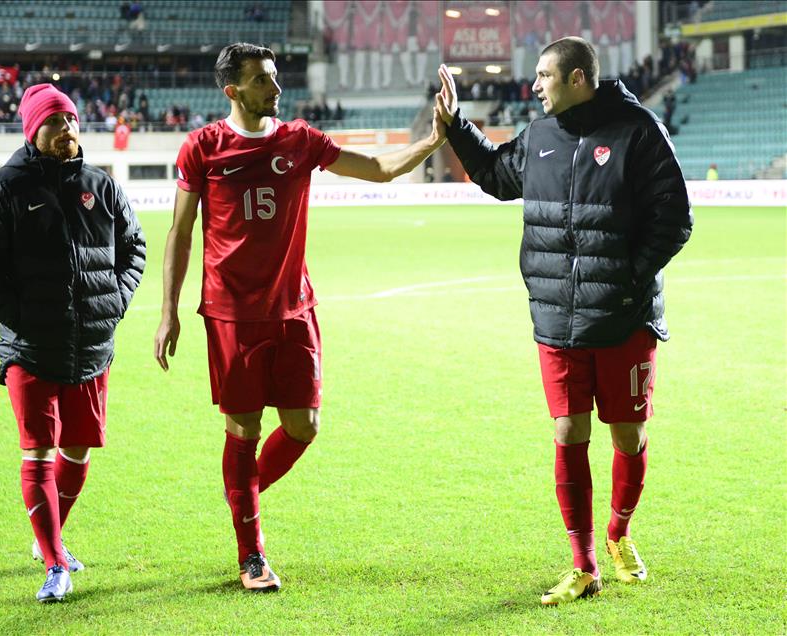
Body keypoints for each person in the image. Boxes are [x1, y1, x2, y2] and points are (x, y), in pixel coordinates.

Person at [154, 42, 446, 593]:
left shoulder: (300, 140)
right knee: (243, 429)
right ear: (232, 90)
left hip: (294, 309)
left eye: (274, 76)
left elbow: (380, 169)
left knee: (303, 426)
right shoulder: (203, 147)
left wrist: (433, 139)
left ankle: (242, 492)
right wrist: (168, 309)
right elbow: (181, 231)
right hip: (233, 314)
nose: (276, 87)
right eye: (262, 80)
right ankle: (252, 554)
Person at [435, 37, 692, 605]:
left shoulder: (638, 132)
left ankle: (619, 533)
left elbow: (675, 217)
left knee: (627, 434)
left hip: (624, 319)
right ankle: (584, 564)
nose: (534, 87)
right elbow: (496, 174)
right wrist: (456, 125)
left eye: (544, 76)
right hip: (557, 318)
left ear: (577, 78)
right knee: (568, 432)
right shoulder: (541, 136)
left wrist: (626, 280)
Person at [0, 83, 146, 603]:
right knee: (39, 449)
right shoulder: (2, 190)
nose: (67, 129)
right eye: (55, 122)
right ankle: (56, 562)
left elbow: (134, 247)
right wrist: (24, 320)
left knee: (78, 450)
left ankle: (50, 540)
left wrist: (114, 303)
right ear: (32, 130)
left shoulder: (100, 185)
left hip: (91, 346)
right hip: (32, 349)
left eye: (71, 120)